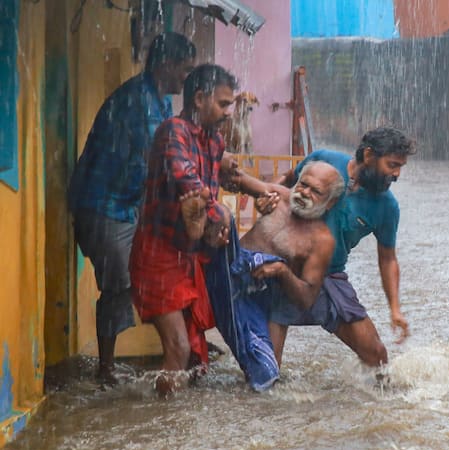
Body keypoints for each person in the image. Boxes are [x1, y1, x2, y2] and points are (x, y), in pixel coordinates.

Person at [129, 64, 274, 396]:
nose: (228, 112)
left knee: (193, 355)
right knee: (179, 348)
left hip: (188, 256)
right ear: (199, 99)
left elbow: (230, 177)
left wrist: (265, 192)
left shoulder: (213, 141)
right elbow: (186, 181)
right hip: (158, 255)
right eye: (223, 104)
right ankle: (163, 424)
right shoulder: (173, 131)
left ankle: (174, 419)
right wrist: (217, 219)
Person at [67, 32, 197, 383]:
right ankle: (106, 369)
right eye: (184, 71)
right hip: (103, 206)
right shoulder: (139, 103)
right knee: (121, 283)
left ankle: (177, 345)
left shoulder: (160, 100)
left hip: (128, 207)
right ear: (166, 65)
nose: (186, 78)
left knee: (152, 272)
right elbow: (158, 164)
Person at [261, 127, 417, 368]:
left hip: (329, 276)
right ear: (368, 156)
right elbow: (289, 178)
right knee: (266, 371)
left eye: (400, 167)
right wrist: (267, 196)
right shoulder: (324, 160)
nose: (396, 174)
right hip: (283, 269)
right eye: (392, 165)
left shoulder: (387, 207)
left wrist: (395, 310)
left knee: (377, 357)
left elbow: (388, 259)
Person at [204, 160, 344, 390]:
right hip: (224, 271)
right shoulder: (278, 196)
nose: (304, 193)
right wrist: (220, 158)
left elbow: (306, 298)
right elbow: (235, 179)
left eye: (315, 191)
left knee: (266, 378)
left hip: (257, 298)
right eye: (302, 185)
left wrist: (281, 271)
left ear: (331, 202)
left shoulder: (322, 241)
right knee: (222, 215)